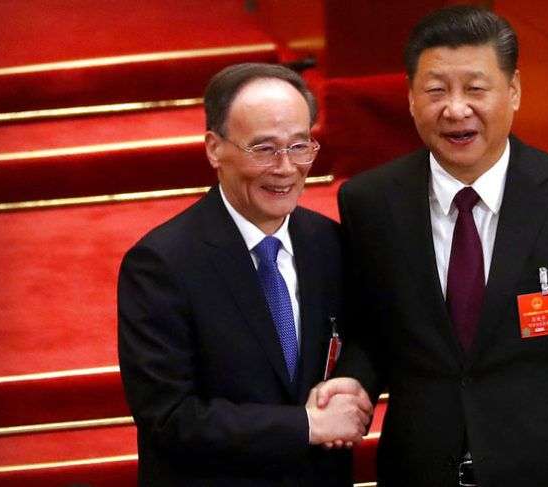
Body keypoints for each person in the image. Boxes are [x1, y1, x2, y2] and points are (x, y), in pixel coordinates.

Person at [320, 6, 548, 486]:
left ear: (514, 91)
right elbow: (374, 330)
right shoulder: (371, 202)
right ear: (409, 98)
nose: (456, 109)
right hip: (421, 470)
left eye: (476, 89)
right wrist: (352, 382)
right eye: (436, 90)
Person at [118, 63, 372, 486]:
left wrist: (350, 383)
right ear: (214, 148)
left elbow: (362, 336)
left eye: (299, 146)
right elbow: (169, 416)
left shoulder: (328, 242)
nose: (286, 168)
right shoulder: (161, 264)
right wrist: (304, 426)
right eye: (264, 149)